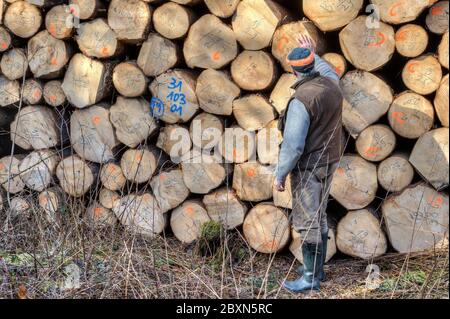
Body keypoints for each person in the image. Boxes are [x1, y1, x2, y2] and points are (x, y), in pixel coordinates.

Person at [274, 35, 343, 293]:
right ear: (312, 64)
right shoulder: (332, 85)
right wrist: (315, 53)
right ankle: (317, 271)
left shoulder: (302, 100)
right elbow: (330, 70)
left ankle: (310, 278)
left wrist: (280, 174)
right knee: (320, 216)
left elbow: (293, 146)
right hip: (330, 161)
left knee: (307, 222)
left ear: (293, 70)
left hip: (309, 167)